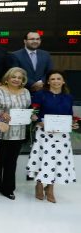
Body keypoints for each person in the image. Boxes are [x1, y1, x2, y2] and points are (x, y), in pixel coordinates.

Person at [26, 70, 78, 203]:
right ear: (48, 81)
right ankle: (39, 184)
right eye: (52, 79)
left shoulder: (68, 97)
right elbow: (33, 113)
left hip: (62, 135)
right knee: (42, 158)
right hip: (44, 133)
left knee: (57, 160)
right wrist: (38, 121)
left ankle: (50, 188)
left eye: (58, 78)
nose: (56, 81)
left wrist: (72, 124)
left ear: (63, 81)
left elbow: (70, 115)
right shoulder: (40, 95)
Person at [0, 67, 31, 200]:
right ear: (7, 78)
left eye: (19, 78)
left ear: (23, 80)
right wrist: (0, 113)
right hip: (0, 131)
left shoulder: (26, 92)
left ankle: (8, 189)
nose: (16, 79)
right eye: (14, 77)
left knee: (12, 162)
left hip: (18, 133)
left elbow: (27, 108)